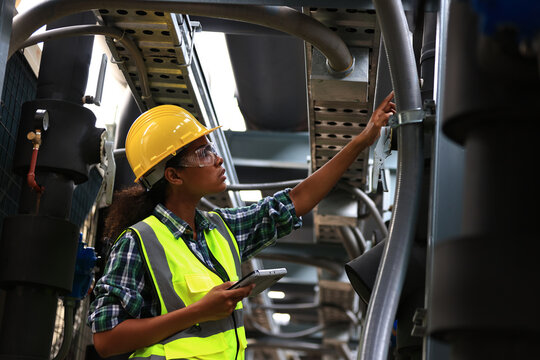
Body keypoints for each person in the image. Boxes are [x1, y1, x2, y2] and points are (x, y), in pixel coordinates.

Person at [87, 92, 396, 359]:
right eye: (203, 153)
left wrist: (362, 139)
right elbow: (106, 340)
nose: (217, 159)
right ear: (173, 175)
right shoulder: (139, 241)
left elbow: (296, 200)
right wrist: (198, 312)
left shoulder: (221, 231)